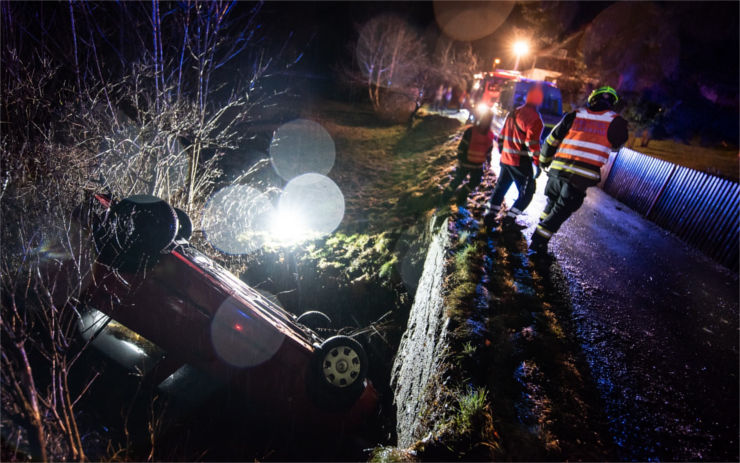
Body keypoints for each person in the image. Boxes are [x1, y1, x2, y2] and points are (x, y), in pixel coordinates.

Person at [530, 85, 629, 255]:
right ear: (612, 102)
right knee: (560, 212)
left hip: (556, 173)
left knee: (552, 207)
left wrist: (544, 162)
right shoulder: (617, 122)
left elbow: (551, 140)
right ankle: (537, 244)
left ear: (592, 98)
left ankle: (539, 238)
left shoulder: (574, 115)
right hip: (578, 180)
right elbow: (616, 146)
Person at [484, 85, 545, 230]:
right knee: (527, 193)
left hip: (506, 160)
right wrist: (537, 164)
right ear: (539, 101)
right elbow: (533, 145)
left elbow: (501, 137)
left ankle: (489, 217)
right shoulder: (535, 119)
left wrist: (503, 152)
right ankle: (509, 220)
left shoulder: (513, 113)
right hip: (520, 163)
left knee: (500, 189)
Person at [440, 110, 494, 204]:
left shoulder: (472, 131)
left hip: (470, 163)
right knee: (468, 181)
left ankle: (450, 197)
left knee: (459, 180)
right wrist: (488, 161)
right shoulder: (486, 134)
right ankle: (456, 197)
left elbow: (463, 147)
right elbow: (488, 150)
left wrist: (460, 159)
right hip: (473, 164)